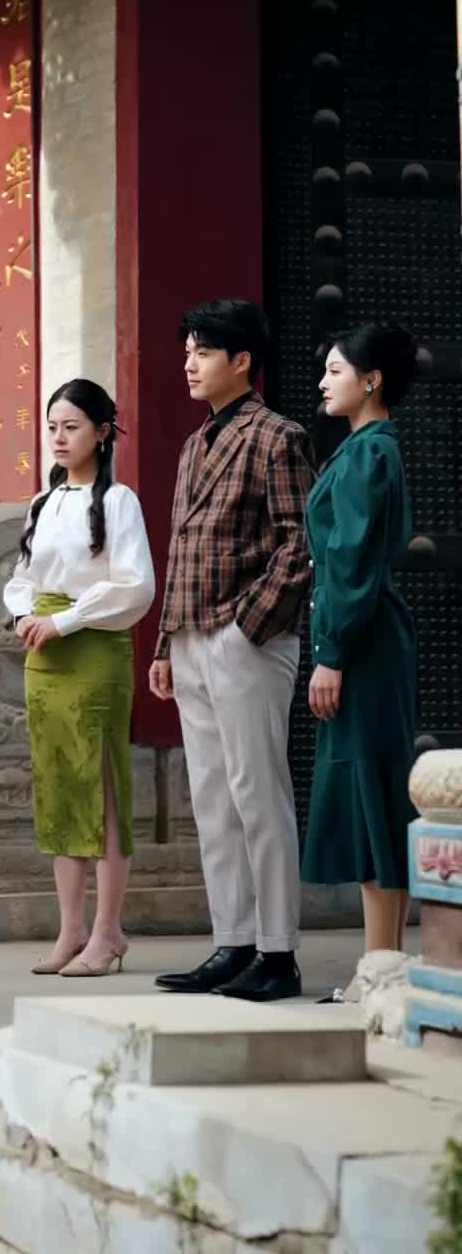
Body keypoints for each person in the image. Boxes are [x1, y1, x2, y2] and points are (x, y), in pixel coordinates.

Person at [149, 300, 315, 1003]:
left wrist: (245, 628)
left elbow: (299, 543)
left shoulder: (278, 436)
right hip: (190, 639)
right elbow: (181, 548)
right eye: (188, 350)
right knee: (213, 800)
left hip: (245, 640)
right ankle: (234, 942)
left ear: (241, 361)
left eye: (203, 352)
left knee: (257, 794)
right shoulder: (195, 445)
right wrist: (165, 641)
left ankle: (278, 953)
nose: (188, 363)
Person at [4, 379, 155, 978]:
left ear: (102, 431)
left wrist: (65, 620)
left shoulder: (119, 501)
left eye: (71, 427)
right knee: (58, 785)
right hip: (44, 655)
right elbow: (22, 577)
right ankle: (70, 929)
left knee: (102, 788)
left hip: (93, 649)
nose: (60, 438)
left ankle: (108, 931)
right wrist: (23, 614)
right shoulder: (42, 503)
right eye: (52, 428)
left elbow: (135, 586)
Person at [302, 322, 418, 998]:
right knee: (380, 789)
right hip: (372, 637)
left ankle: (377, 969)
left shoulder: (367, 454)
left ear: (371, 380)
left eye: (336, 370)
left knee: (372, 791)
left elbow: (348, 563)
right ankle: (384, 966)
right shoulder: (371, 449)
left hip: (362, 643)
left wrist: (331, 654)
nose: (323, 381)